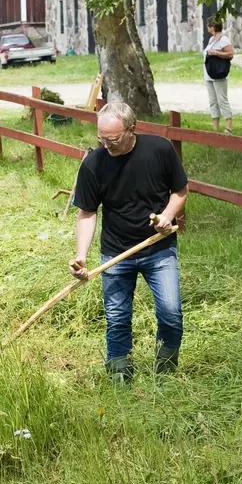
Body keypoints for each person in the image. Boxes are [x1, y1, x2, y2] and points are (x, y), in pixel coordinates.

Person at [70, 102, 189, 384]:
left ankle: (165, 375)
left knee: (171, 314)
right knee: (117, 318)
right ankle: (120, 378)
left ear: (131, 130)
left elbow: (181, 190)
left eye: (112, 139)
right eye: (101, 138)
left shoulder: (159, 150)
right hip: (115, 254)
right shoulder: (94, 163)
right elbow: (86, 212)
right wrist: (81, 256)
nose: (106, 144)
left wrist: (167, 216)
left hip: (158, 249)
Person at [203, 17, 234, 133]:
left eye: (208, 25)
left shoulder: (223, 39)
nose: (207, 27)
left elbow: (230, 54)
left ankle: (229, 126)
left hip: (219, 74)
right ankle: (215, 126)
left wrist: (215, 52)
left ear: (213, 27)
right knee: (212, 101)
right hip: (209, 74)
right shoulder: (211, 39)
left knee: (222, 99)